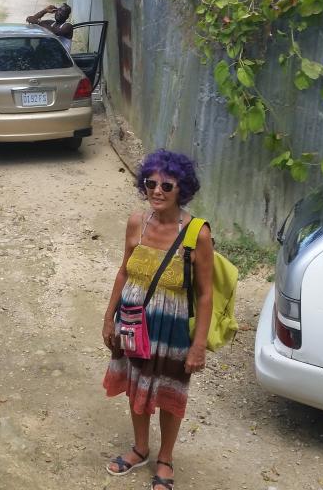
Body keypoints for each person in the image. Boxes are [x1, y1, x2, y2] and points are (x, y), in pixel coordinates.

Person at [101, 149, 214, 490]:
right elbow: (124, 272)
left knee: (169, 391)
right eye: (151, 183)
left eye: (167, 185)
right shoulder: (137, 222)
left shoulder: (197, 234)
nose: (157, 191)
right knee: (134, 381)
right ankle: (140, 449)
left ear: (182, 189)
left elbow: (205, 294)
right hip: (133, 321)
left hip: (171, 328)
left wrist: (198, 345)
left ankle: (165, 458)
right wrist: (109, 318)